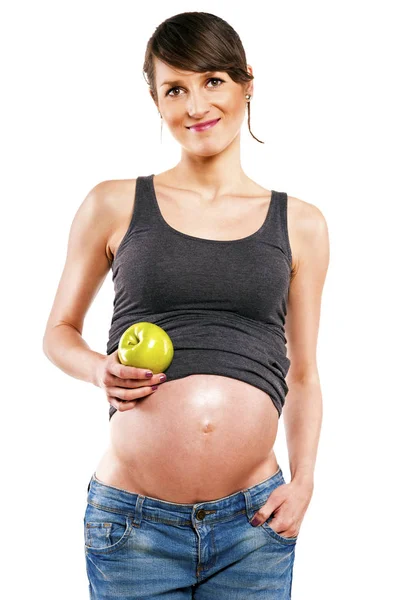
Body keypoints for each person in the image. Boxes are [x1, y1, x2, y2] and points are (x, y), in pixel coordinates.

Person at [43, 11, 329, 599]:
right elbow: (59, 331)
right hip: (133, 524)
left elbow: (303, 374)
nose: (196, 105)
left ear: (248, 81)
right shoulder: (113, 203)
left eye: (213, 81)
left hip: (254, 524)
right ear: (157, 101)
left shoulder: (301, 224)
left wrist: (304, 483)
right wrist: (100, 369)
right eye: (175, 88)